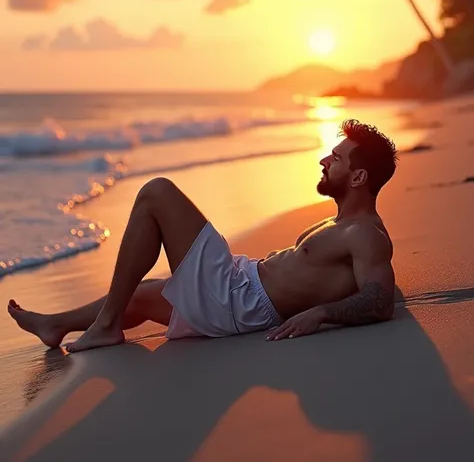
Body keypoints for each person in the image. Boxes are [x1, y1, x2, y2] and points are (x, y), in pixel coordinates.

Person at [8, 118, 398, 351]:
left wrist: (321, 313)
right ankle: (55, 324)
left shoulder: (364, 234)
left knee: (156, 193)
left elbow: (380, 300)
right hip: (242, 287)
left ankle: (107, 326)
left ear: (359, 177)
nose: (324, 160)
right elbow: (367, 284)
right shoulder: (344, 226)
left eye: (337, 158)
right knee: (143, 295)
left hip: (242, 301)